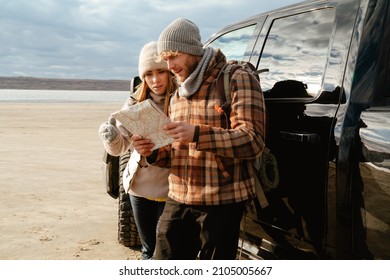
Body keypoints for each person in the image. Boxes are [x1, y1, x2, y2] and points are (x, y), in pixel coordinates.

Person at [132, 18, 266, 260]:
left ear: (193, 50)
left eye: (174, 56)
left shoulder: (236, 78)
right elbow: (173, 153)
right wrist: (151, 151)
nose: (169, 65)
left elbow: (252, 140)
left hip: (222, 201)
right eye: (166, 58)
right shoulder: (177, 96)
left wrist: (197, 134)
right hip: (179, 198)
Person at [98, 41, 177, 260]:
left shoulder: (183, 100)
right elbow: (120, 148)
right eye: (148, 74)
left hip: (172, 189)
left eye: (160, 71)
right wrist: (111, 138)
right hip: (139, 189)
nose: (155, 80)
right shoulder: (134, 102)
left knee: (165, 253)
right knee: (148, 250)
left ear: (170, 70)